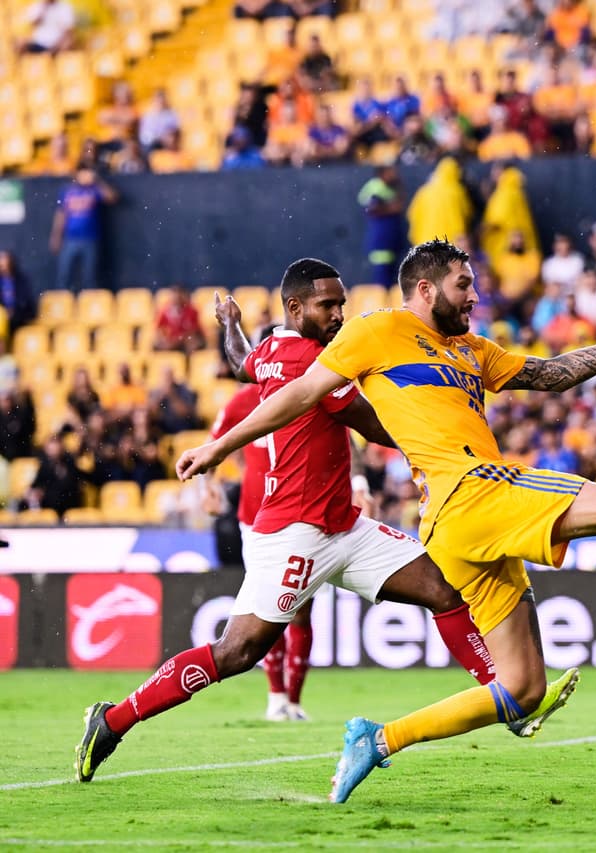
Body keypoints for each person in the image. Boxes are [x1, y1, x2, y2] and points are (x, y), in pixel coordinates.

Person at [174, 240, 596, 803]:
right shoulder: (376, 330)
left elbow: (552, 375)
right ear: (426, 289)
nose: (475, 296)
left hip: (454, 525)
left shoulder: (471, 348)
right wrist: (220, 445)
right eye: (463, 285)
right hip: (470, 489)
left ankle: (378, 739)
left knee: (523, 689)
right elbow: (295, 393)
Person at [76, 259, 561, 784]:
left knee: (444, 589)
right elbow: (375, 425)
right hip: (295, 531)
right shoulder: (312, 363)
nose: (338, 315)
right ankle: (112, 720)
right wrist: (439, 424)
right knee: (237, 651)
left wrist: (230, 325)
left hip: (344, 526)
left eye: (342, 305)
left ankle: (504, 696)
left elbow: (242, 361)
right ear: (295, 308)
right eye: (327, 306)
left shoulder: (272, 350)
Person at [205, 378, 316, 722]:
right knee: (267, 609)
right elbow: (214, 443)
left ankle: (294, 701)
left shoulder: (307, 390)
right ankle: (276, 697)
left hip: (300, 515)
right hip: (254, 521)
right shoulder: (243, 400)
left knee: (301, 610)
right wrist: (208, 485)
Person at [49, 166, 118, 294]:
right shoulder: (67, 191)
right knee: (64, 275)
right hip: (70, 239)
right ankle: (63, 302)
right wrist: (56, 236)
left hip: (90, 239)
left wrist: (97, 181)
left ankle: (89, 303)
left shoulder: (94, 190)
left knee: (90, 277)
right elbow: (60, 215)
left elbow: (112, 197)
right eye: (83, 173)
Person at [357, 165, 406, 286]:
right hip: (382, 240)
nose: (394, 174)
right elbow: (371, 209)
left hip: (393, 239)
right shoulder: (375, 187)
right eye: (391, 172)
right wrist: (391, 208)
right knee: (383, 278)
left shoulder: (392, 186)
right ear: (382, 173)